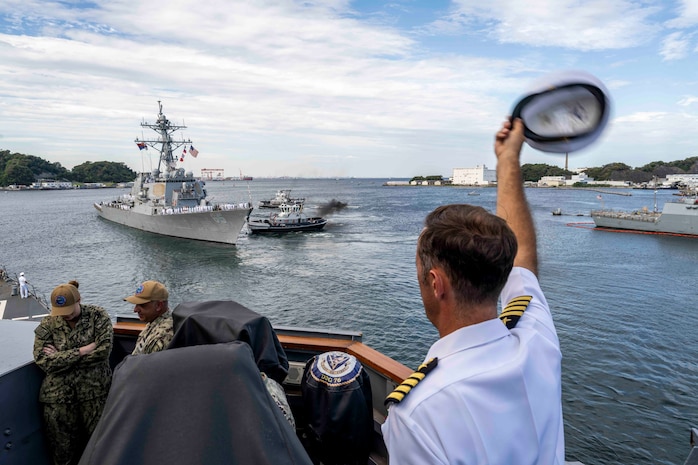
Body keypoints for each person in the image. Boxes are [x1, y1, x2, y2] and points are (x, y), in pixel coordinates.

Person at [381, 118, 564, 464]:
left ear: (436, 284)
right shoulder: (536, 338)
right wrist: (509, 159)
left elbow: (520, 260)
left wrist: (507, 157)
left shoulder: (418, 415)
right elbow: (523, 258)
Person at [33, 281, 113, 465]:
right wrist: (81, 351)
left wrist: (60, 357)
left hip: (95, 394)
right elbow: (43, 361)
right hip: (58, 399)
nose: (66, 315)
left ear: (79, 300)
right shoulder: (48, 323)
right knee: (63, 453)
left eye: (70, 309)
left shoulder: (97, 316)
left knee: (100, 448)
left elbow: (102, 352)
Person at [124, 280, 173, 355]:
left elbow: (146, 365)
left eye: (142, 305)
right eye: (136, 304)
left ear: (159, 306)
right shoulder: (153, 323)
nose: (135, 310)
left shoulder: (162, 335)